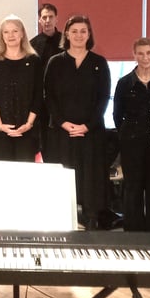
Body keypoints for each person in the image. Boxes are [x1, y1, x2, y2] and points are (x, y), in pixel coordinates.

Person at [44, 15, 111, 230]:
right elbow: (49, 97)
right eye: (74, 31)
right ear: (67, 34)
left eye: (83, 31)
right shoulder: (55, 62)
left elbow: (103, 97)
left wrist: (87, 125)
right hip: (62, 133)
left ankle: (91, 217)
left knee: (90, 176)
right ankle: (65, 216)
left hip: (91, 132)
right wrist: (63, 123)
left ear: (89, 34)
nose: (79, 35)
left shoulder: (99, 63)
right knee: (65, 174)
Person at [113, 37, 150, 232]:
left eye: (149, 53)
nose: (145, 57)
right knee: (133, 190)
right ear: (134, 55)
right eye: (140, 53)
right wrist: (127, 135)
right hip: (132, 146)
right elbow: (117, 115)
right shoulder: (124, 83)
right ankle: (133, 233)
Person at [0, 15, 42, 162]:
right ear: (1, 35)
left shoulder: (34, 60)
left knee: (25, 177)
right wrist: (0, 125)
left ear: (22, 33)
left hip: (27, 130)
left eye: (15, 31)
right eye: (6, 32)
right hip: (0, 129)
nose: (11, 35)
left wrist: (28, 124)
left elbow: (38, 95)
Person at [30, 3, 63, 162]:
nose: (47, 20)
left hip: (61, 100)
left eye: (51, 17)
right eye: (44, 17)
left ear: (57, 19)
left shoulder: (66, 42)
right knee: (45, 145)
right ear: (39, 20)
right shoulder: (32, 44)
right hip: (40, 104)